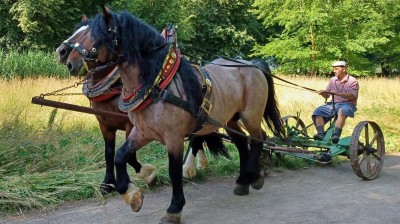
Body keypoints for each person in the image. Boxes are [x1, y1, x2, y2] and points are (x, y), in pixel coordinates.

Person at [312, 61, 359, 144]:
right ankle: (321, 134)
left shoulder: (353, 81)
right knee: (318, 111)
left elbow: (352, 96)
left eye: (336, 69)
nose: (334, 71)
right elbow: (327, 96)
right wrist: (323, 93)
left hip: (348, 104)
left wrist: (338, 93)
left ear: (344, 69)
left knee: (342, 111)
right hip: (333, 104)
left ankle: (336, 135)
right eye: (333, 69)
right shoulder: (332, 80)